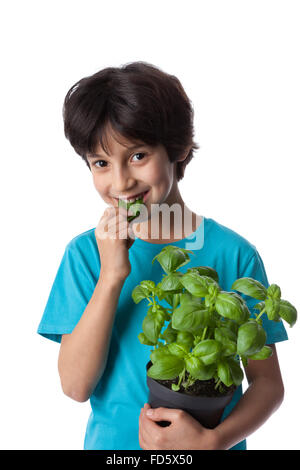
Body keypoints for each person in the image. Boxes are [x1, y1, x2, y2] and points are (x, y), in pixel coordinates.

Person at [37, 61, 288, 450]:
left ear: (178, 148)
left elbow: (268, 383)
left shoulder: (234, 254)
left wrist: (214, 440)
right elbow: (74, 386)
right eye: (101, 163)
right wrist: (111, 275)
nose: (120, 182)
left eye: (138, 156)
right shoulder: (85, 254)